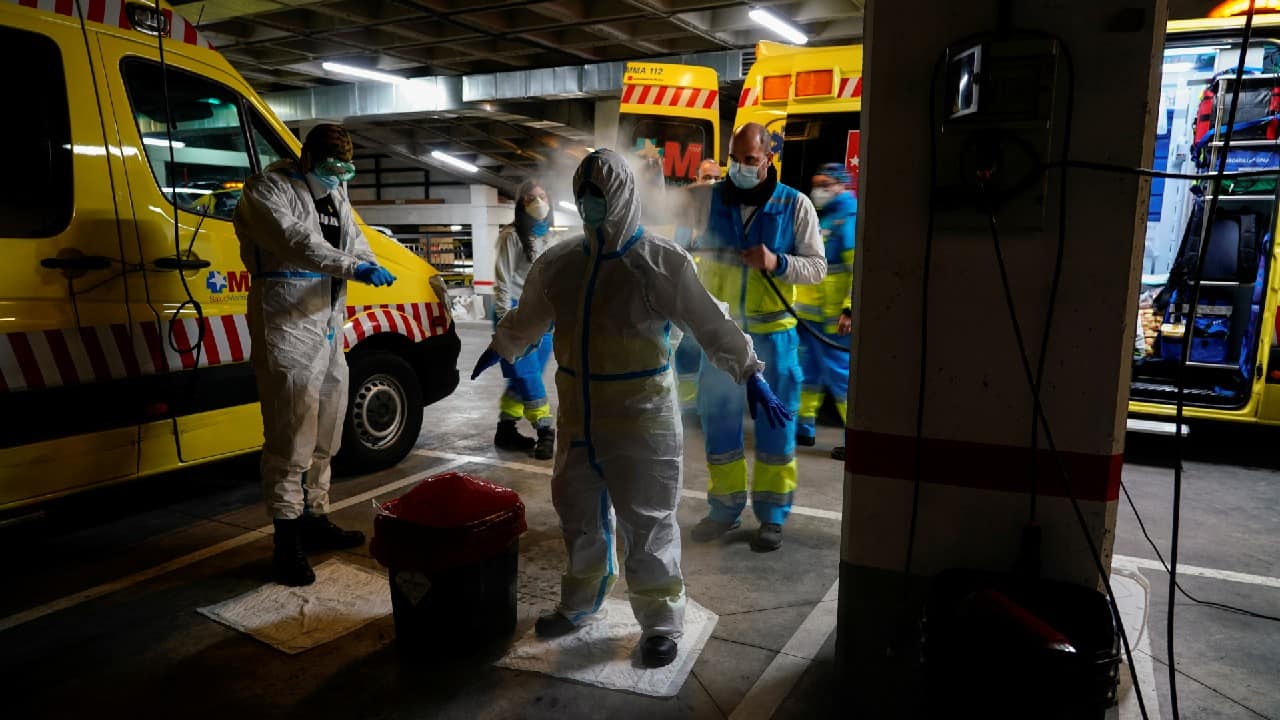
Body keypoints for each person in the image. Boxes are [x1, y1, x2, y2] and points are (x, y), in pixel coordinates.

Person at [471, 149, 791, 668]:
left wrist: (750, 372)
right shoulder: (561, 262)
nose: (589, 203)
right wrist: (503, 346)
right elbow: (531, 314)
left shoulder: (660, 262)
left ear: (620, 195)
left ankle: (661, 621)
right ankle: (580, 603)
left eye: (599, 193)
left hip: (642, 416)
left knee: (648, 521)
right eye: (584, 193)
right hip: (578, 413)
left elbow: (709, 322)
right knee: (577, 513)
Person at [233, 124, 397, 587]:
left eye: (346, 168)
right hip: (286, 324)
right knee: (291, 436)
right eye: (330, 167)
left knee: (328, 426)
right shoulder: (267, 189)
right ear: (306, 158)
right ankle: (286, 544)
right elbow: (297, 243)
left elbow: (356, 241)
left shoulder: (336, 193)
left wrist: (370, 260)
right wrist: (355, 267)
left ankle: (315, 516)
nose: (338, 175)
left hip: (327, 325)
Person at [689, 122, 826, 552]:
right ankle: (724, 509)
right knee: (720, 428)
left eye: (749, 160)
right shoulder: (709, 202)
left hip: (774, 339)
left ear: (768, 158)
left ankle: (772, 515)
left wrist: (778, 262)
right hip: (723, 339)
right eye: (734, 159)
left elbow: (817, 268)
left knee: (776, 433)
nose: (740, 169)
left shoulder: (795, 205)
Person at [492, 179, 559, 460]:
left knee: (523, 377)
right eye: (531, 197)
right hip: (517, 315)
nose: (538, 200)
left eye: (542, 195)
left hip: (543, 317)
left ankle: (506, 429)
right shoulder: (511, 236)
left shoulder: (548, 238)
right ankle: (545, 430)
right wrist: (505, 322)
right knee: (529, 376)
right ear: (521, 204)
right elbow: (503, 281)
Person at [794, 163, 857, 460]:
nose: (818, 189)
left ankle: (855, 437)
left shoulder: (850, 217)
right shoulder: (825, 216)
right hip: (810, 316)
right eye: (816, 183)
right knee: (809, 373)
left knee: (842, 378)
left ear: (842, 185)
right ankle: (803, 427)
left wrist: (849, 309)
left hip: (835, 318)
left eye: (825, 183)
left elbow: (858, 270)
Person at [674, 159, 724, 419]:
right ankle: (688, 407)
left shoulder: (725, 216)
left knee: (715, 358)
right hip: (691, 299)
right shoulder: (688, 216)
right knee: (687, 354)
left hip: (718, 300)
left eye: (716, 177)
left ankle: (712, 408)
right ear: (696, 178)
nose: (712, 183)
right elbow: (678, 253)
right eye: (707, 177)